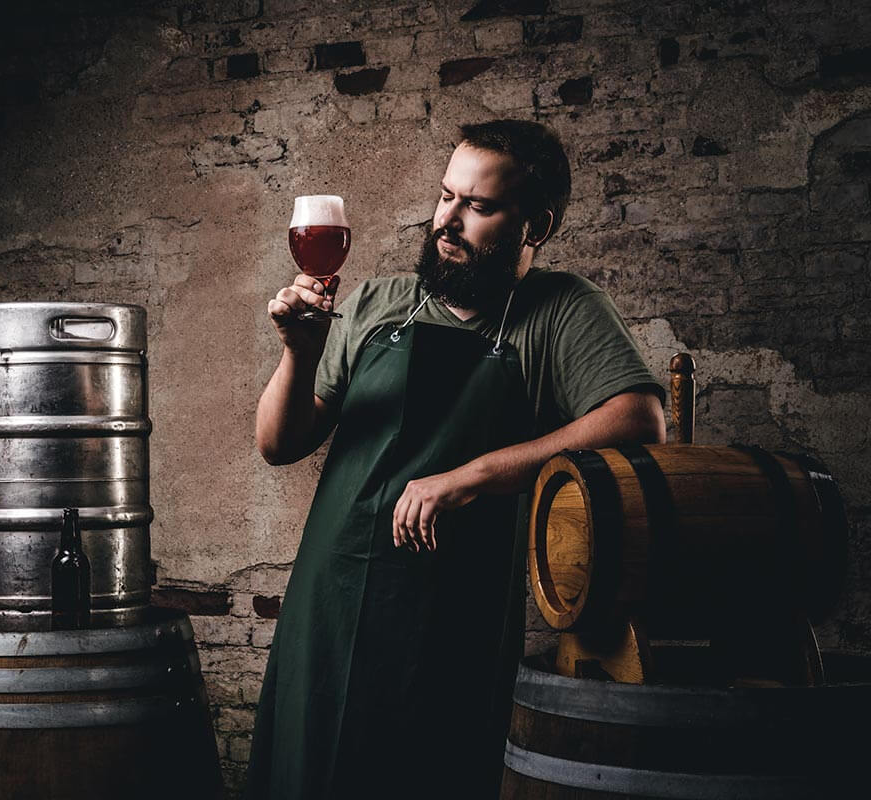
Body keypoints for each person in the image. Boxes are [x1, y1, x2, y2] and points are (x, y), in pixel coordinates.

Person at [244, 119, 667, 799]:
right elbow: (279, 442)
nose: (449, 220)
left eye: (479, 206)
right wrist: (299, 350)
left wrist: (473, 475)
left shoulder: (557, 311)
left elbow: (640, 421)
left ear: (536, 224)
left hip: (454, 612)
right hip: (334, 596)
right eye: (447, 196)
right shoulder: (378, 303)